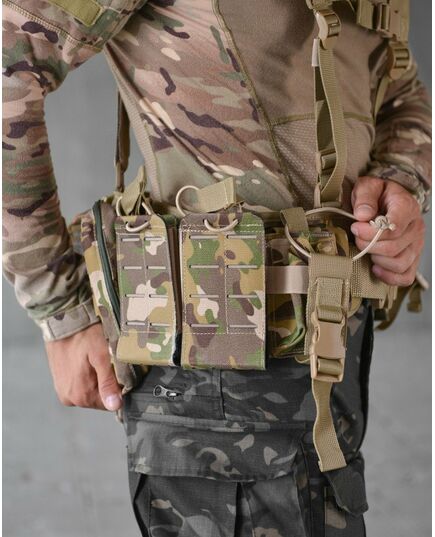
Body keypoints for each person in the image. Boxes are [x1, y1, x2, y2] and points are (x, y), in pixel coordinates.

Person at [3, 0, 431, 535]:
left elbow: (397, 84)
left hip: (329, 353)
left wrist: (402, 179)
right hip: (214, 367)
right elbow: (9, 57)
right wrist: (61, 309)